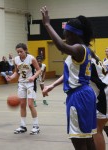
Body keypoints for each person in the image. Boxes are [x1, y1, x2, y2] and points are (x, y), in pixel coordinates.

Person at [41, 6, 96, 150]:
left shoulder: (78, 49)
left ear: (73, 34)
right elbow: (71, 74)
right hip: (85, 93)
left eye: (66, 35)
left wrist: (47, 24)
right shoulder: (86, 49)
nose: (65, 38)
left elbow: (60, 46)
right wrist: (52, 85)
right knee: (88, 138)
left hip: (79, 96)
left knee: (78, 140)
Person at [6, 43, 41, 135]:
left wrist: (33, 77)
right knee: (22, 105)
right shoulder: (16, 60)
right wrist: (11, 77)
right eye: (18, 52)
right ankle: (22, 126)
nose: (19, 53)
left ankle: (36, 126)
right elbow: (16, 72)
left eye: (21, 51)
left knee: (30, 104)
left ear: (25, 50)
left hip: (30, 83)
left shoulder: (31, 59)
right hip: (21, 83)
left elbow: (38, 70)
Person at [89, 51, 108, 150]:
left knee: (96, 128)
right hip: (103, 91)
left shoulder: (85, 58)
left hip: (103, 93)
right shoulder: (96, 57)